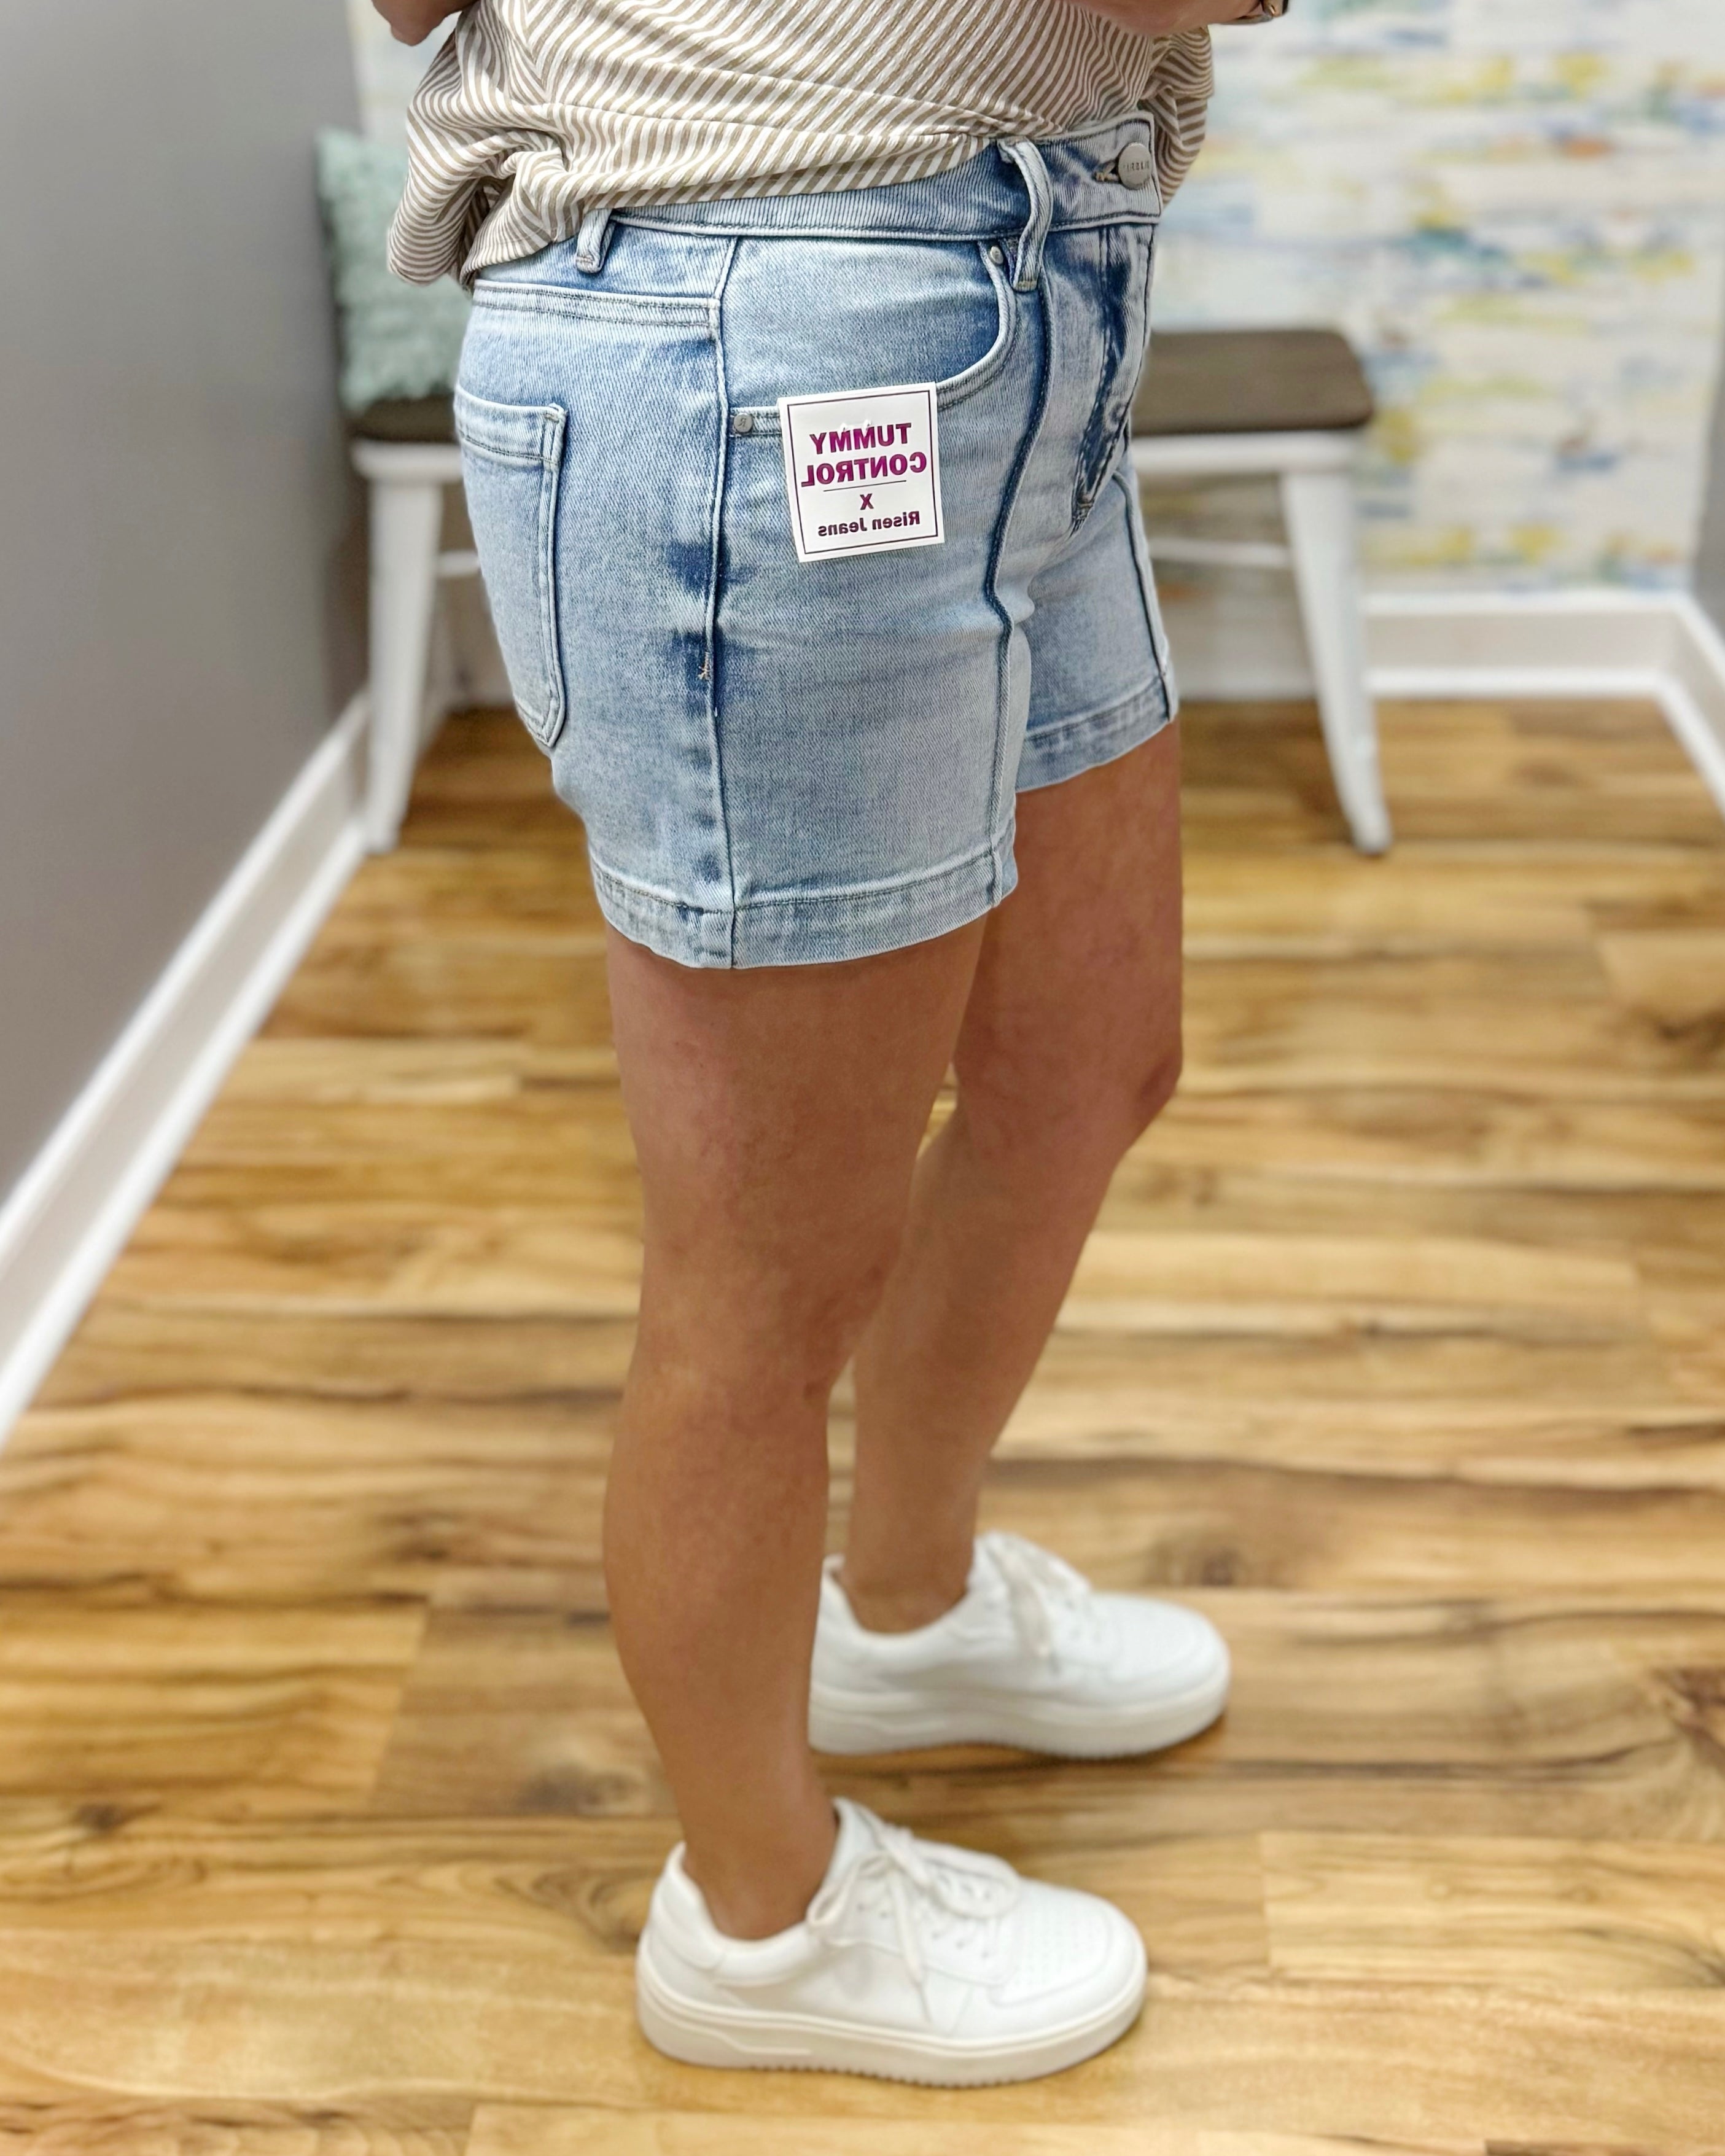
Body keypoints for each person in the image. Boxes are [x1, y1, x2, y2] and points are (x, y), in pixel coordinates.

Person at [375, 0, 1282, 2087]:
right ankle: (759, 1921)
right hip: (761, 311)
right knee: (771, 1262)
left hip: (1021, 274)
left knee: (1082, 1067)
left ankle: (905, 1604)